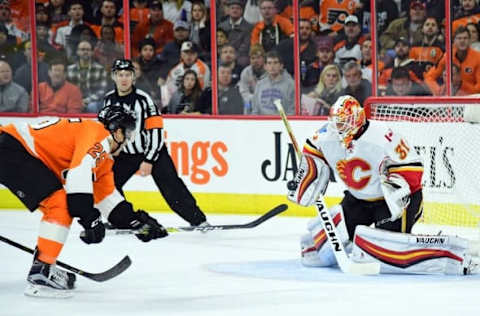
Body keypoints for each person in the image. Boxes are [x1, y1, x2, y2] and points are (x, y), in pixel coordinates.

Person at [288, 95, 479, 275]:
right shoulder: (325, 135)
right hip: (358, 199)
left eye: (343, 122)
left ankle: (450, 255)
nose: (338, 128)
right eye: (336, 122)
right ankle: (351, 243)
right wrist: (304, 180)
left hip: (393, 202)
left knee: (386, 249)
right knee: (321, 246)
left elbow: (413, 167)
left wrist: (395, 187)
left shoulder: (383, 135)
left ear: (357, 119)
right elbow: (312, 157)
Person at [0, 106, 168, 297]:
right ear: (118, 131)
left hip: (13, 150)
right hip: (11, 149)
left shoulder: (102, 156)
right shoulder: (100, 136)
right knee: (60, 205)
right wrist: (90, 219)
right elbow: (78, 177)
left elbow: (107, 198)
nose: (128, 139)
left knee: (60, 204)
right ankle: (42, 272)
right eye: (128, 133)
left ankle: (44, 265)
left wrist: (138, 223)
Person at [101, 59, 209, 227]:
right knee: (108, 184)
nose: (124, 79)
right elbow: (105, 129)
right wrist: (109, 151)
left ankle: (198, 220)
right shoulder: (108, 100)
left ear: (133, 77)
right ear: (114, 77)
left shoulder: (144, 100)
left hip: (153, 151)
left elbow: (156, 131)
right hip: (124, 154)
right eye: (120, 75)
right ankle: (121, 219)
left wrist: (149, 159)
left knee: (172, 188)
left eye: (128, 75)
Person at [251, 50, 295, 115]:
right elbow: (255, 110)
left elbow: (292, 111)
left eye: (275, 62)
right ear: (265, 66)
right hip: (262, 122)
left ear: (281, 66)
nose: (272, 66)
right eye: (269, 63)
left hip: (282, 122)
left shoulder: (291, 84)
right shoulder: (260, 84)